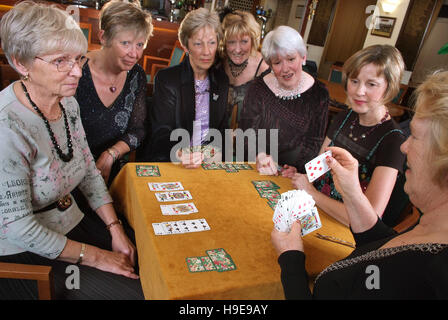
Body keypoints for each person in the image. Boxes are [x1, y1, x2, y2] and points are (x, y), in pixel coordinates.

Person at [0, 1, 143, 299]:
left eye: (78, 59)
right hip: (24, 251)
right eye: (60, 61)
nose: (77, 72)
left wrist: (114, 228)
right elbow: (17, 226)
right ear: (21, 62)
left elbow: (90, 172)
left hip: (70, 219)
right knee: (134, 293)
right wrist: (100, 257)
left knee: (144, 257)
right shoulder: (7, 125)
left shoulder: (68, 103)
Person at [272, 70, 448, 300]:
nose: (404, 148)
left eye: (414, 136)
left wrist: (291, 259)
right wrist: (352, 192)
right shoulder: (431, 228)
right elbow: (385, 246)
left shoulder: (433, 275)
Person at [282, 45, 407, 227]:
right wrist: (302, 175)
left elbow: (369, 220)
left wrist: (310, 192)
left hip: (347, 232)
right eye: (354, 81)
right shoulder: (344, 116)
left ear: (389, 88)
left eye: (371, 84)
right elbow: (317, 169)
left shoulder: (393, 140)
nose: (359, 91)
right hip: (316, 212)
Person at [75, 0, 153, 185]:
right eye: (125, 43)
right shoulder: (76, 71)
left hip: (112, 173)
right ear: (103, 37)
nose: (134, 54)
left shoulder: (136, 75)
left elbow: (137, 130)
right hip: (72, 174)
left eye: (140, 45)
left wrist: (111, 154)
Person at [148, 8, 229, 168]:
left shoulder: (221, 80)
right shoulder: (167, 80)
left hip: (208, 164)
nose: (206, 52)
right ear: (186, 46)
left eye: (212, 43)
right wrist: (180, 154)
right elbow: (161, 133)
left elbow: (221, 131)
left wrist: (216, 156)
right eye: (198, 44)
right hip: (175, 161)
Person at [239, 26, 328, 170]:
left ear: (303, 57)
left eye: (291, 59)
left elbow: (314, 142)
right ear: (270, 65)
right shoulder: (257, 88)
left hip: (294, 174)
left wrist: (296, 169)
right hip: (257, 167)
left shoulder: (319, 93)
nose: (285, 69)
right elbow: (245, 134)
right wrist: (258, 156)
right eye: (277, 62)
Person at [220, 9, 270, 130]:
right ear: (224, 42)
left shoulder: (263, 69)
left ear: (253, 40)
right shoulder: (218, 63)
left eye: (244, 41)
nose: (238, 50)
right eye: (232, 42)